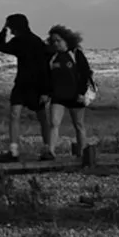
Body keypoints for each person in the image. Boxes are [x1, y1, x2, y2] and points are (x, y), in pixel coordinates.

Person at [0, 13, 51, 162]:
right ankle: (22, 150)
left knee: (22, 116)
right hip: (26, 84)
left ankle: (44, 149)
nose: (9, 29)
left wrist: (2, 34)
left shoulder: (31, 42)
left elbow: (1, 47)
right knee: (38, 117)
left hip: (32, 84)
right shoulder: (30, 40)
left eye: (9, 26)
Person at [43, 24, 93, 160]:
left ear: (66, 40)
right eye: (53, 41)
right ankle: (51, 151)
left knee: (79, 125)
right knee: (54, 123)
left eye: (58, 40)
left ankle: (83, 153)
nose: (56, 43)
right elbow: (48, 77)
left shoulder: (75, 54)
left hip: (75, 95)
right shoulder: (52, 57)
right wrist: (47, 93)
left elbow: (85, 74)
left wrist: (82, 93)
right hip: (58, 96)